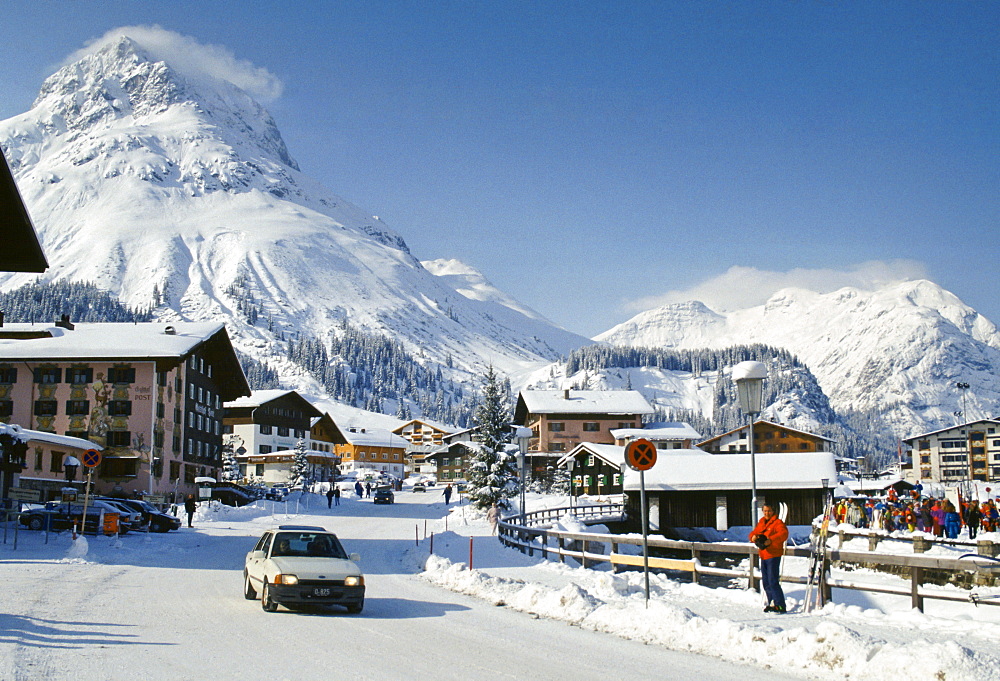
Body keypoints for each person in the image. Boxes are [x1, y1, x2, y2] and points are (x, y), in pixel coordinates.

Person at [749, 503, 789, 614]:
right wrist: (753, 537)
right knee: (766, 582)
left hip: (773, 555)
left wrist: (770, 540)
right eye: (765, 511)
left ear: (773, 511)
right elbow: (754, 533)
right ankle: (772, 602)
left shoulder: (778, 523)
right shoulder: (762, 522)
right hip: (764, 554)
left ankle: (780, 605)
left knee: (772, 581)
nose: (767, 513)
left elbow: (784, 534)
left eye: (769, 511)